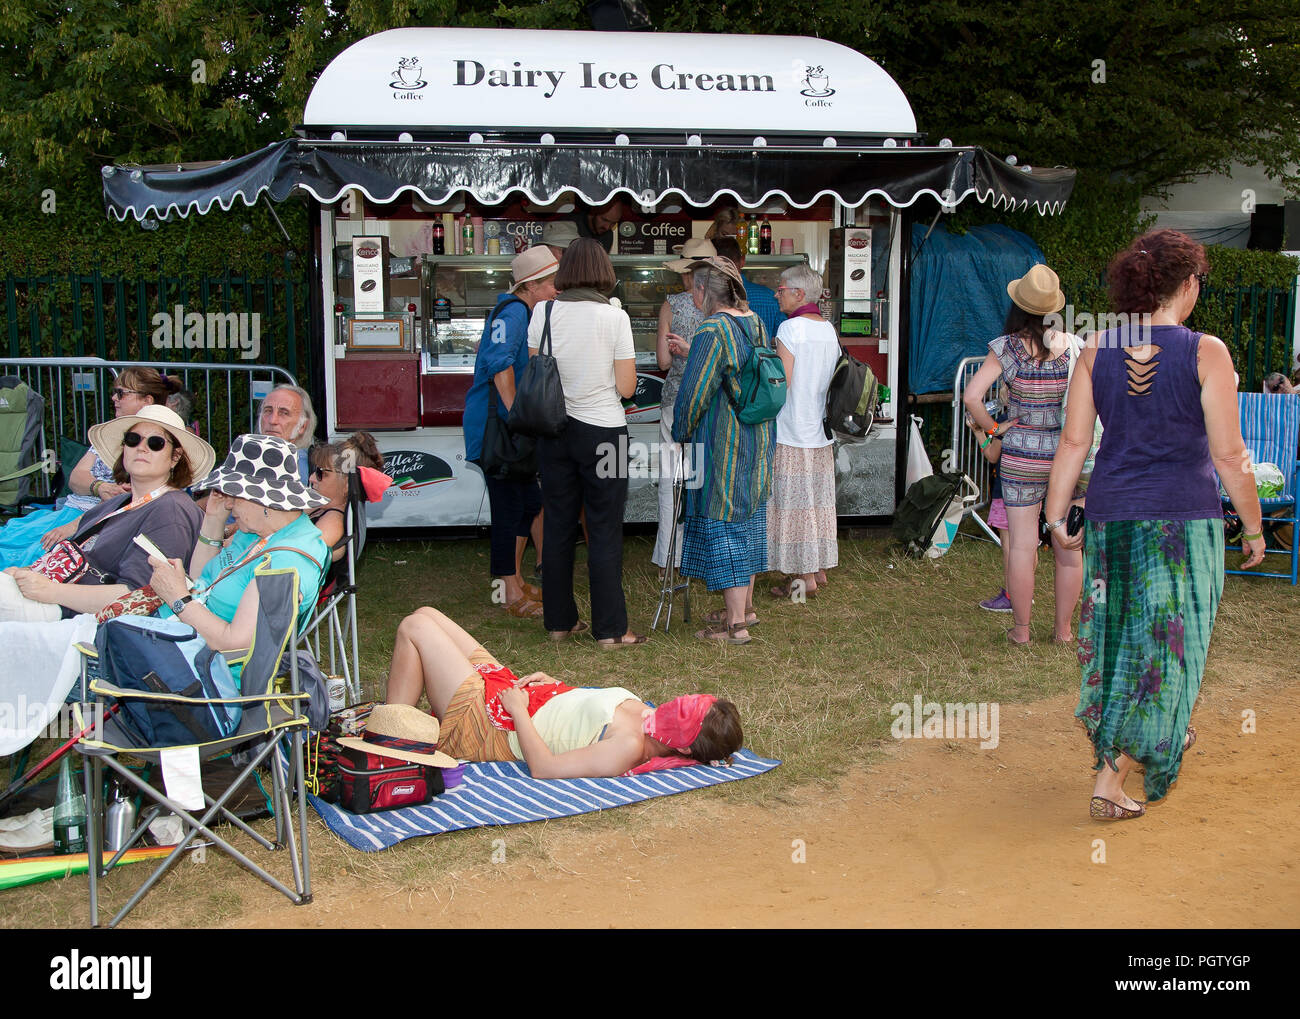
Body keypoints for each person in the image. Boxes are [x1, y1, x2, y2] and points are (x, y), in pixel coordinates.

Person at [1044, 229, 1265, 820]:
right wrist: (1255, 525)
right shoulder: (1205, 351)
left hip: (1114, 518)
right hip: (1182, 523)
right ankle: (1113, 780)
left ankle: (1155, 735)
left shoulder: (1095, 350)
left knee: (1121, 642)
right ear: (1188, 285)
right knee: (1169, 645)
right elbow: (1228, 455)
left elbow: (1073, 442)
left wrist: (1054, 514)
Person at [382, 606, 742, 777]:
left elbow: (544, 767)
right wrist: (554, 685)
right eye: (688, 700)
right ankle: (398, 732)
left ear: (682, 745)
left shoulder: (628, 747)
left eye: (683, 712)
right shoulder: (649, 718)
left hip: (490, 726)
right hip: (516, 696)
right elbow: (581, 715)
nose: (677, 702)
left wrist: (520, 710)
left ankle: (391, 746)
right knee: (426, 613)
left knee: (414, 626)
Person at [528, 238, 643, 647]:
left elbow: (535, 367)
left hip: (554, 430)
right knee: (604, 528)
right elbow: (627, 387)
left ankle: (559, 623)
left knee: (558, 523)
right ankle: (610, 630)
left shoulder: (543, 310)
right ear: (605, 271)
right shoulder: (615, 318)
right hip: (604, 434)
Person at [962, 264, 1083, 644]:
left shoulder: (1006, 348)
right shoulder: (1073, 347)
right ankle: (1063, 630)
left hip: (1019, 456)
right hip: (1068, 453)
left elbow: (971, 397)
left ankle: (1022, 630)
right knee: (1069, 545)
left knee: (1022, 546)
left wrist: (994, 429)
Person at [0, 405, 211, 622]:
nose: (141, 448)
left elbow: (139, 596)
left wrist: (49, 591)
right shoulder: (119, 502)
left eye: (155, 443)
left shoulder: (171, 510)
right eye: (133, 439)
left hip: (82, 620)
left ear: (175, 457)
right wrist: (25, 574)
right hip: (57, 600)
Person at [147, 433, 330, 673]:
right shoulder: (260, 531)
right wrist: (213, 520)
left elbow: (236, 646)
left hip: (200, 677)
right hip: (177, 650)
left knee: (90, 673)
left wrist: (178, 598)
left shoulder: (288, 563)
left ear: (265, 500)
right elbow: (205, 579)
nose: (229, 503)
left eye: (235, 494)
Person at [672, 255, 775, 644]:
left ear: (702, 290)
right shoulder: (755, 322)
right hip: (759, 436)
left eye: (693, 288)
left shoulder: (711, 330)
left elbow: (694, 393)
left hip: (725, 442)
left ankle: (736, 626)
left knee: (726, 524)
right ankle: (745, 608)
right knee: (749, 521)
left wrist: (681, 431)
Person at [0, 368, 184, 570]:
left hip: (94, 523)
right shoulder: (112, 434)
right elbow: (75, 478)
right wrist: (99, 487)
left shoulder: (156, 452)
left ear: (147, 401)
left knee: (23, 557)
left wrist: (78, 522)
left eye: (122, 393)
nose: (114, 398)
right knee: (8, 541)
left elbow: (133, 506)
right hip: (71, 513)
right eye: (131, 441)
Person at [462, 248, 558, 619]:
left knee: (528, 502)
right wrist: (518, 414)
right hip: (497, 426)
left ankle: (513, 582)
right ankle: (506, 592)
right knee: (508, 508)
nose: (555, 290)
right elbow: (499, 363)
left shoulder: (518, 310)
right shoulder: (516, 311)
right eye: (551, 284)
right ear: (531, 285)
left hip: (502, 423)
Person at [766, 263, 839, 600]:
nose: (776, 293)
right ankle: (819, 568)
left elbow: (781, 384)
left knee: (794, 506)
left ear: (798, 293)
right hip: (819, 430)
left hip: (791, 428)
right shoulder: (828, 329)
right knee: (817, 502)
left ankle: (803, 577)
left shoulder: (790, 329)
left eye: (780, 289)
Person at [652, 237, 715, 574]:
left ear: (688, 274)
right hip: (711, 402)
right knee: (703, 481)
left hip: (676, 402)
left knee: (671, 479)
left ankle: (669, 558)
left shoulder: (671, 306)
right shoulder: (724, 306)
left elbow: (663, 361)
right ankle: (704, 556)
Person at [307, 430, 385, 561]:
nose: (311, 478)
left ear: (346, 485)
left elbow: (302, 556)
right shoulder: (322, 508)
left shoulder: (333, 521)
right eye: (315, 470)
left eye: (321, 473)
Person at [712, 237, 785, 343]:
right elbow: (782, 337)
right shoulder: (770, 297)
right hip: (759, 358)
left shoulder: (708, 297)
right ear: (742, 261)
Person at [258, 385, 316, 483]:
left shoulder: (296, 467)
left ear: (302, 426)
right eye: (268, 411)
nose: (272, 421)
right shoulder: (251, 455)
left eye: (284, 413)